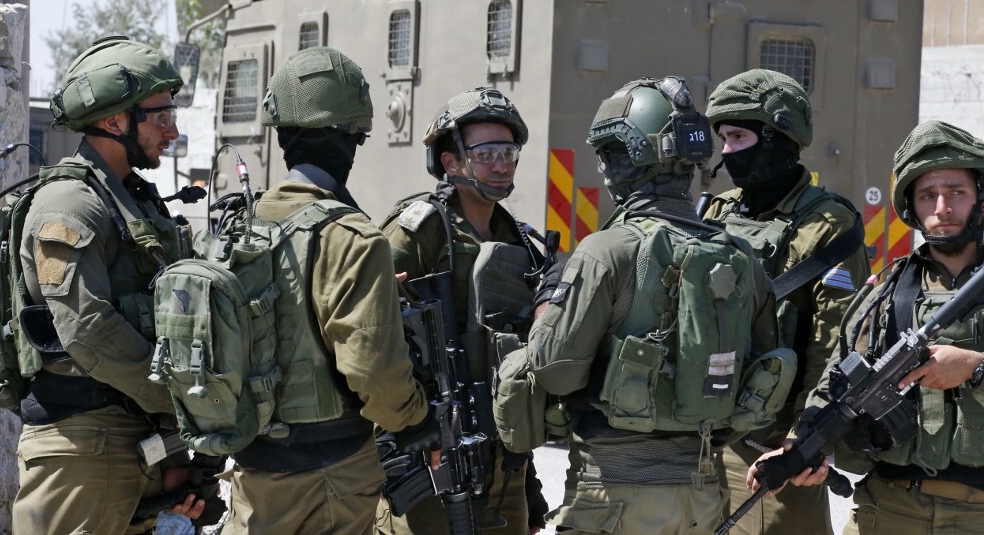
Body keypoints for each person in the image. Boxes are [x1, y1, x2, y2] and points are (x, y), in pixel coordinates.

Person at [528, 77, 781, 533]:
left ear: (626, 158)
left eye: (609, 155)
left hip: (612, 493)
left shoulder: (607, 250)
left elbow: (554, 370)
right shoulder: (740, 256)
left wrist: (547, 307)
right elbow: (759, 372)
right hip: (702, 496)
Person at [220, 46, 432, 534]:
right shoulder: (352, 237)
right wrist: (415, 418)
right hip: (330, 476)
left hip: (253, 469)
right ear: (353, 137)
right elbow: (373, 373)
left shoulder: (235, 227)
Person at [750, 120, 984, 534]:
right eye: (928, 196)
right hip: (889, 511)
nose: (942, 209)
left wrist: (975, 368)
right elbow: (836, 382)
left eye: (956, 193)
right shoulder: (887, 290)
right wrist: (800, 447)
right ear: (912, 206)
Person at [14, 36, 204, 533]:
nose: (173, 130)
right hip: (81, 449)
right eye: (161, 117)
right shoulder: (70, 206)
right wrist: (178, 401)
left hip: (129, 441)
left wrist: (171, 446)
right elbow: (88, 329)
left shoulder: (135, 201)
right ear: (114, 120)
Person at [702, 69, 870, 534]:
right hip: (700, 440)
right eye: (723, 138)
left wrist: (804, 443)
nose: (726, 151)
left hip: (771, 452)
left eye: (738, 136)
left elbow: (833, 346)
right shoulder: (717, 213)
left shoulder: (827, 224)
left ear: (777, 137)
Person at [375, 86, 548, 534]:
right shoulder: (419, 230)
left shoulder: (519, 240)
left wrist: (529, 481)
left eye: (508, 152)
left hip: (502, 453)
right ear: (451, 162)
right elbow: (373, 335)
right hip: (433, 452)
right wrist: (415, 431)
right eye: (487, 152)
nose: (501, 164)